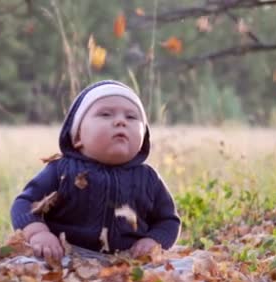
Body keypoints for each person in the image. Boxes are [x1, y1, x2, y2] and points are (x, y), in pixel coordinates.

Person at [10, 80, 180, 260]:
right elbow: (24, 203)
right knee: (22, 264)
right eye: (106, 114)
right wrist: (38, 234)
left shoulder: (148, 178)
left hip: (129, 261)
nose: (121, 121)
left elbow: (168, 220)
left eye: (131, 117)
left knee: (182, 269)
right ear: (77, 136)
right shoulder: (61, 170)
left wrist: (154, 240)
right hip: (65, 256)